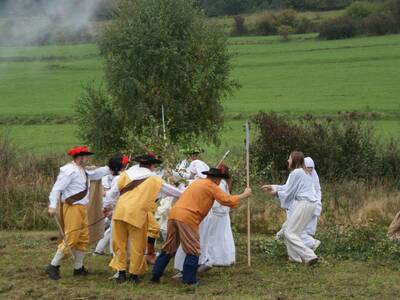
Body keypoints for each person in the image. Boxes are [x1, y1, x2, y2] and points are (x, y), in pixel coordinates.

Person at [151, 168, 252, 285]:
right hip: (187, 217)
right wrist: (244, 195)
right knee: (193, 249)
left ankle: (156, 275)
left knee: (169, 247)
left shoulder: (197, 182)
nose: (220, 182)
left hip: (174, 214)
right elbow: (226, 200)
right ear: (216, 178)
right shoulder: (212, 186)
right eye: (220, 179)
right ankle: (189, 280)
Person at [107, 153, 182, 284]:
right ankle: (134, 274)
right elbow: (174, 192)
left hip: (119, 212)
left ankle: (121, 273)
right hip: (137, 214)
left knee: (119, 244)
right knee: (137, 245)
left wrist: (107, 207)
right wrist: (184, 190)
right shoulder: (154, 178)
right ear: (151, 165)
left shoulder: (125, 174)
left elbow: (112, 193)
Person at [46, 146, 111, 280]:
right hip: (72, 208)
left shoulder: (83, 170)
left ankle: (78, 268)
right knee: (72, 237)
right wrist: (52, 206)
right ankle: (53, 266)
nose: (88, 158)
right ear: (79, 157)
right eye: (86, 156)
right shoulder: (68, 170)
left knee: (83, 238)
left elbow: (97, 173)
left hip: (82, 208)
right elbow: (56, 189)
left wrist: (113, 166)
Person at [174, 165, 236, 275]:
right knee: (208, 238)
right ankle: (201, 262)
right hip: (209, 214)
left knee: (203, 239)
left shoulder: (217, 185)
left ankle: (199, 263)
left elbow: (224, 201)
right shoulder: (213, 184)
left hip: (210, 215)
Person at [262, 151, 319, 266]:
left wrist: (276, 193)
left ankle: (309, 256)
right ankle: (294, 258)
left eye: (289, 158)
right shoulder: (305, 173)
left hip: (304, 203)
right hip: (310, 204)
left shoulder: (296, 173)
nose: (288, 161)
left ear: (295, 160)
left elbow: (288, 192)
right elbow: (288, 187)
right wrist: (273, 186)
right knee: (290, 229)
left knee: (289, 232)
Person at [94, 155, 129, 256]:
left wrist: (106, 206)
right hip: (119, 207)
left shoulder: (121, 176)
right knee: (114, 231)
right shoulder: (120, 177)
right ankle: (113, 254)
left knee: (113, 231)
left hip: (119, 206)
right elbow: (110, 195)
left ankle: (109, 252)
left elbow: (109, 194)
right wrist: (106, 207)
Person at [301, 157, 322, 251]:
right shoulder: (301, 176)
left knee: (307, 230)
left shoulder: (314, 178)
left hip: (313, 207)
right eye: (307, 167)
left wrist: (318, 204)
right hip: (303, 206)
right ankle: (308, 248)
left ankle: (311, 246)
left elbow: (318, 191)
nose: (309, 169)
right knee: (301, 229)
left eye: (311, 167)